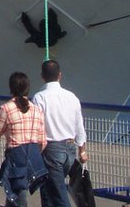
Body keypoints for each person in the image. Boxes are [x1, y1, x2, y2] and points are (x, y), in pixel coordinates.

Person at [0, 71, 47, 207]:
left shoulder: (6, 109)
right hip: (33, 154)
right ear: (28, 88)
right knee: (15, 195)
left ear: (11, 88)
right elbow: (43, 140)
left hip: (16, 156)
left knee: (17, 194)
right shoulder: (37, 110)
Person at [31, 60, 89, 207]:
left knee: (58, 194)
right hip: (70, 149)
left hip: (50, 149)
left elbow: (36, 126)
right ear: (60, 75)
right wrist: (82, 151)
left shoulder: (39, 97)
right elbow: (79, 126)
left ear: (42, 76)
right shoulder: (72, 97)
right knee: (48, 190)